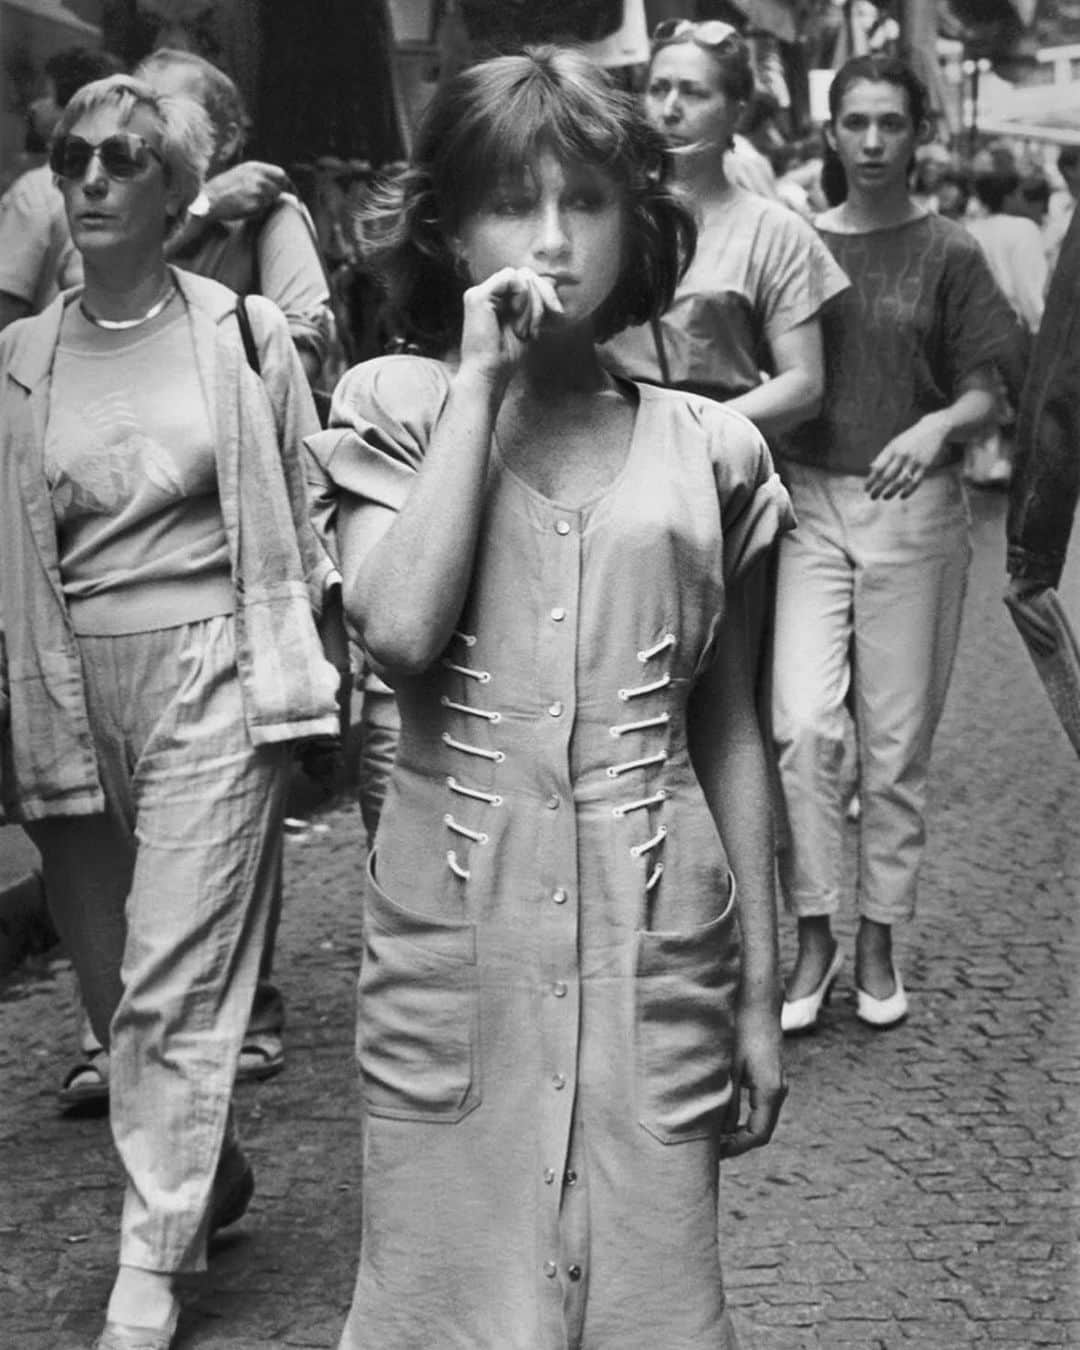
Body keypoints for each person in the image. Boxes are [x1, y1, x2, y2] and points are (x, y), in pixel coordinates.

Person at [307, 45, 790, 1349]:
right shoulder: (395, 407)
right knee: (442, 1312)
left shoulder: (717, 455)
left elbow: (734, 732)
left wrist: (758, 991)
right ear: (451, 228)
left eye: (585, 201)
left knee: (652, 1314)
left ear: (639, 223)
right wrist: (476, 381)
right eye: (513, 204)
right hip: (455, 968)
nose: (551, 239)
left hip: (654, 958)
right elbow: (399, 628)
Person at [0, 74, 340, 1349]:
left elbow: (307, 513)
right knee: (117, 1002)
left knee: (165, 983)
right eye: (71, 155)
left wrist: (323, 680)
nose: (90, 177)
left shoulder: (242, 332)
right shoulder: (18, 363)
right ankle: (207, 1175)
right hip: (66, 688)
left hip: (214, 668)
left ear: (174, 186)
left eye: (123, 157)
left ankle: (150, 1267)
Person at [772, 55, 1023, 1034]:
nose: (872, 141)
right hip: (808, 503)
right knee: (799, 720)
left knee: (895, 743)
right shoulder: (793, 247)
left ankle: (878, 934)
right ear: (829, 134)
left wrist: (934, 428)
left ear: (920, 135)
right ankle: (812, 930)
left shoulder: (951, 250)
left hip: (916, 513)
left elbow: (989, 386)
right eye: (856, 123)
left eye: (890, 123)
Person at [601, 18, 849, 448]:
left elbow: (804, 385)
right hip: (605, 440)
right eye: (659, 89)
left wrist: (692, 430)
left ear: (737, 110)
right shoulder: (608, 215)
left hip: (721, 451)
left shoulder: (775, 231)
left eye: (694, 92)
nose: (671, 108)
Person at [0, 47, 123, 331]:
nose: (35, 106)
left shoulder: (36, 191)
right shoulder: (120, 187)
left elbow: (6, 306)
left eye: (47, 96)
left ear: (75, 109)